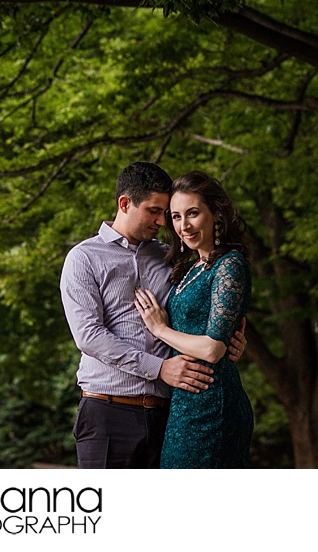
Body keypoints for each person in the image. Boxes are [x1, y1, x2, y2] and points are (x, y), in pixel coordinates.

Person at [61, 162, 246, 468]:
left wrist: (233, 339)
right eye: (154, 211)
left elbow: (200, 308)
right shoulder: (84, 258)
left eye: (166, 213)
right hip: (108, 413)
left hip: (169, 415)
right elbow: (89, 337)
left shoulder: (170, 257)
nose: (162, 221)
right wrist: (159, 368)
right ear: (125, 203)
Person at [134, 170, 254, 468]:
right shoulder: (190, 268)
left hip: (212, 403)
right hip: (184, 403)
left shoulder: (230, 265)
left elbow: (213, 349)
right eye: (175, 216)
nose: (183, 225)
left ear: (216, 214)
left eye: (193, 213)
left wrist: (160, 328)